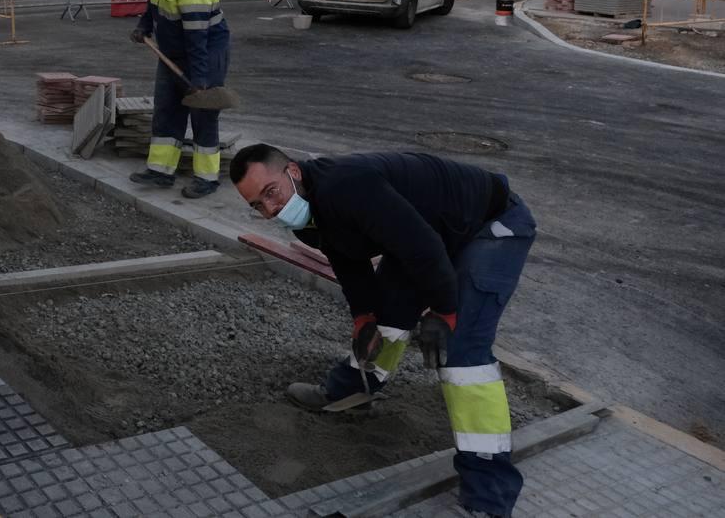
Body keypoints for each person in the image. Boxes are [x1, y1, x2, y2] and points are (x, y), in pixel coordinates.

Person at [230, 144, 536, 518]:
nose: (271, 208)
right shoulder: (308, 214)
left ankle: (489, 497)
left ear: (293, 172)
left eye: (270, 192)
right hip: (430, 232)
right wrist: (363, 317)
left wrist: (444, 311)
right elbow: (349, 261)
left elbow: (423, 248)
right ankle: (352, 390)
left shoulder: (348, 187)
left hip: (491, 224)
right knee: (388, 313)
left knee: (463, 353)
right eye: (258, 205)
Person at [129, 0, 230, 198]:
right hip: (172, 52)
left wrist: (199, 80)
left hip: (205, 53)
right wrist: (143, 27)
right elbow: (153, 6)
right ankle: (161, 171)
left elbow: (197, 40)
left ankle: (207, 179)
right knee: (167, 108)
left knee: (202, 113)